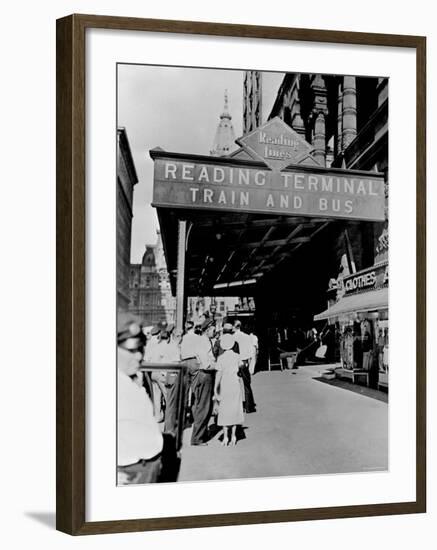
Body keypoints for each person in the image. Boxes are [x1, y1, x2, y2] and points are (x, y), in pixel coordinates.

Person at [117, 312, 164, 484]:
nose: (138, 356)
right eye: (131, 350)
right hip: (129, 473)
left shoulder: (130, 379)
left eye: (140, 348)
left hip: (147, 468)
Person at [214, 333, 244, 446]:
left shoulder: (220, 358)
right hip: (234, 384)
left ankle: (225, 436)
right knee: (234, 409)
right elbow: (241, 365)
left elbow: (218, 374)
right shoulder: (237, 356)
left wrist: (215, 389)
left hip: (225, 384)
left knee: (225, 410)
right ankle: (234, 436)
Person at [233, 320, 256, 413]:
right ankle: (249, 406)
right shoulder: (247, 337)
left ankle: (237, 407)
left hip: (235, 363)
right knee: (247, 385)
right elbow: (251, 352)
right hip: (244, 362)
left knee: (235, 385)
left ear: (234, 327)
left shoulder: (232, 338)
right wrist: (250, 363)